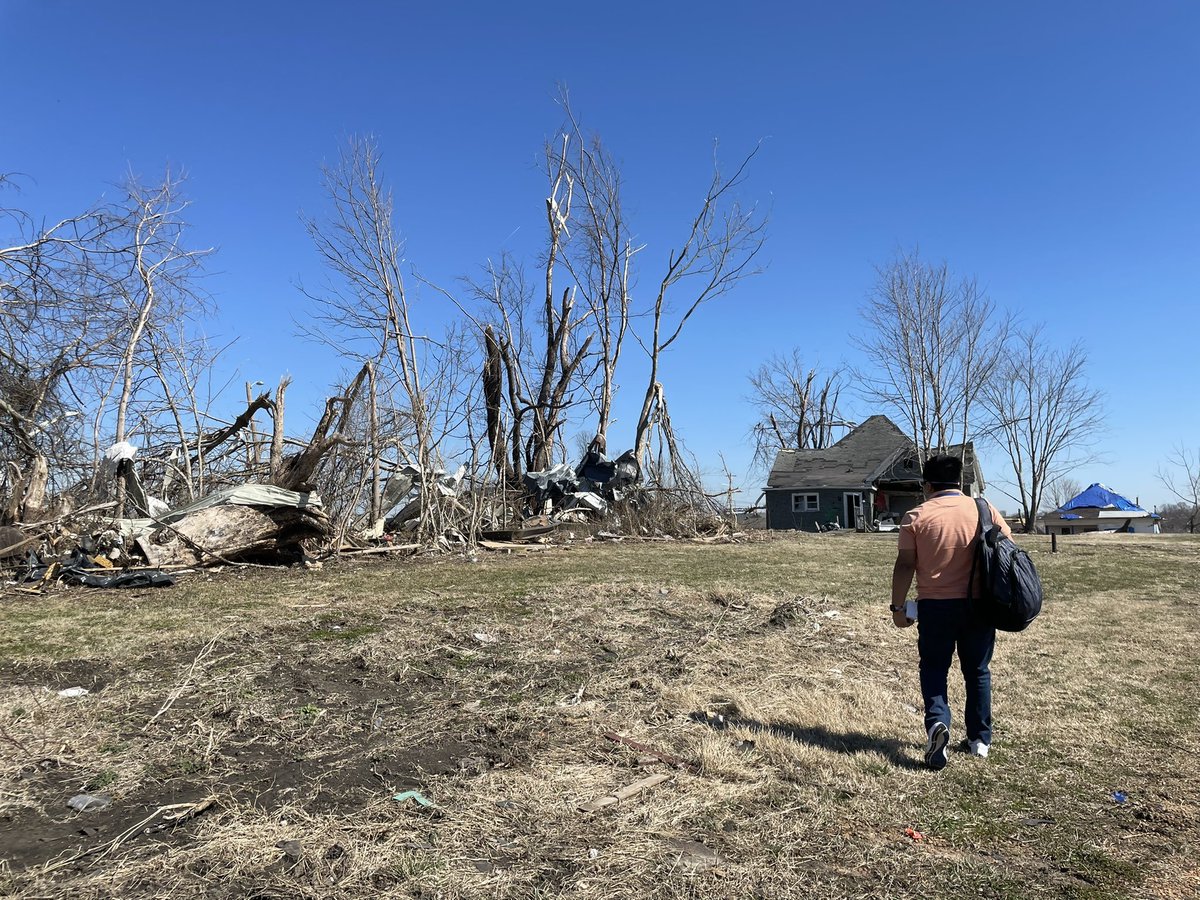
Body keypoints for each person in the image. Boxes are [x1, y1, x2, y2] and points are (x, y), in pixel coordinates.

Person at [889, 453, 1012, 770]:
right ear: (959, 482)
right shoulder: (984, 509)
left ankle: (937, 724)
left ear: (926, 485)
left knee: (933, 669)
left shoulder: (916, 516)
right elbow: (1007, 550)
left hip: (934, 607)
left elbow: (905, 564)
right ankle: (980, 740)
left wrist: (898, 607)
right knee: (978, 672)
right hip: (979, 606)